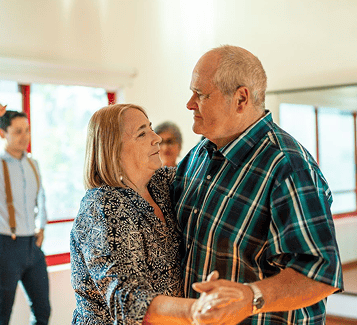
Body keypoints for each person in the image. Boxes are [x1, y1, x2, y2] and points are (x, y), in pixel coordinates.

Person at [172, 45, 343, 325]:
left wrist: (250, 298)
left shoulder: (288, 166)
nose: (190, 104)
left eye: (201, 94)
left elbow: (321, 274)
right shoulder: (196, 157)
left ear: (241, 98)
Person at [70, 104, 241, 324]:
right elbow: (128, 300)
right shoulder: (102, 205)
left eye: (151, 128)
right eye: (142, 133)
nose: (156, 138)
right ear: (113, 148)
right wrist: (196, 310)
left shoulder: (160, 184)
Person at [0, 103, 50, 325]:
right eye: (18, 131)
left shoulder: (33, 163)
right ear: (2, 133)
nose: (25, 136)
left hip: (32, 247)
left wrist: (42, 226)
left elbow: (41, 197)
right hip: (5, 246)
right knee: (3, 314)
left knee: (43, 310)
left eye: (27, 130)